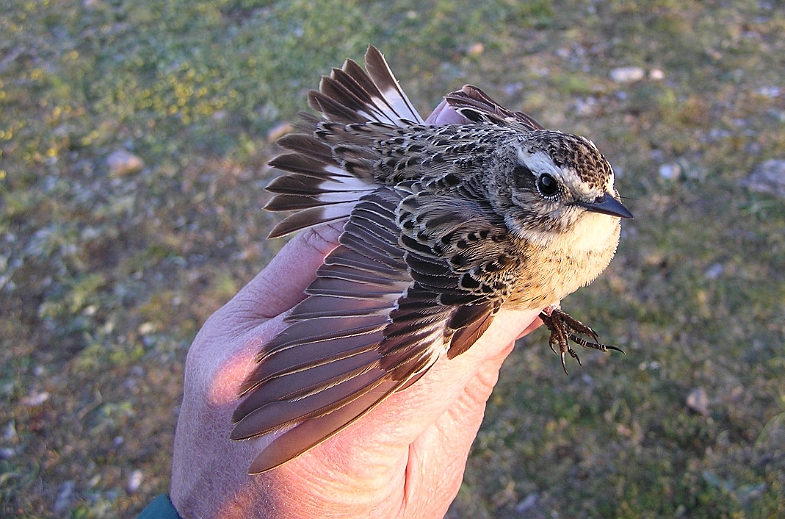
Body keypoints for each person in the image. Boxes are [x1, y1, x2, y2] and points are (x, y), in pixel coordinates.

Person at [138, 103, 544, 519]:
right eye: (549, 186)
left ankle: (363, 151)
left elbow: (471, 106)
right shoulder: (492, 249)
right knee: (418, 343)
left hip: (417, 153)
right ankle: (355, 167)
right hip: (408, 182)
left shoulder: (526, 158)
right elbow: (391, 327)